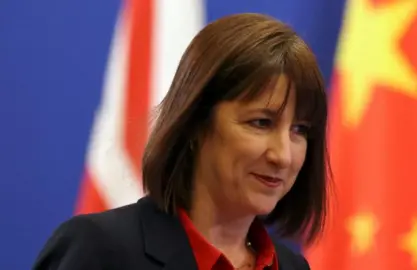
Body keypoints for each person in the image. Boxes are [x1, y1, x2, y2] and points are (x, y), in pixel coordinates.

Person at [33, 12, 330, 270]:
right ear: (196, 124)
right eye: (261, 123)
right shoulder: (99, 251)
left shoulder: (292, 267)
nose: (283, 156)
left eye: (299, 130)